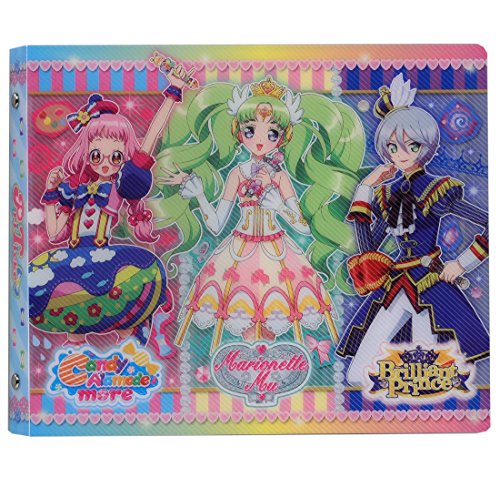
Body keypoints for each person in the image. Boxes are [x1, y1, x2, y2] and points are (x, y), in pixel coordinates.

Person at [336, 74, 489, 386]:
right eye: (393, 146)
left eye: (412, 145)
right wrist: (365, 188)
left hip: (430, 283)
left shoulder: (438, 189)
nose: (401, 153)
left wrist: (462, 263)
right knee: (357, 372)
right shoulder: (386, 193)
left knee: (426, 371)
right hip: (395, 283)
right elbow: (369, 250)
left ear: (426, 146)